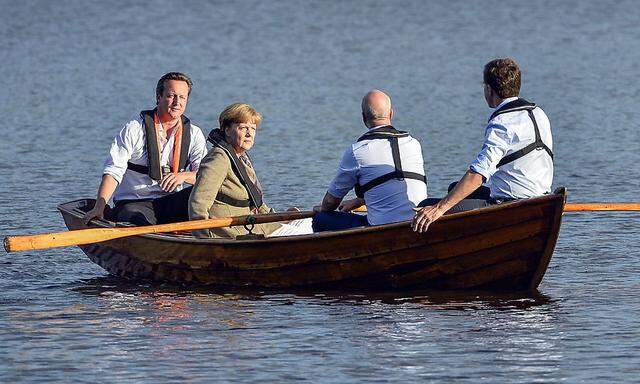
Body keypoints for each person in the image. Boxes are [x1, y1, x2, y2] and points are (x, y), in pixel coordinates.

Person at [412, 58, 553, 233]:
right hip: (542, 197)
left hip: (513, 203)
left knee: (426, 206)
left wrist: (439, 208)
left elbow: (478, 175)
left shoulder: (502, 122)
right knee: (453, 188)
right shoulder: (539, 113)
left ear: (488, 90)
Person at [83, 72, 207, 226]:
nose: (177, 102)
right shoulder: (134, 129)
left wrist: (182, 177)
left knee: (207, 195)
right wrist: (99, 207)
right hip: (134, 203)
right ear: (158, 96)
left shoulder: (195, 134)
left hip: (170, 202)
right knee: (138, 219)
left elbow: (204, 175)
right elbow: (113, 171)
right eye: (171, 96)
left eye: (182, 97)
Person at [188, 103, 313, 238]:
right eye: (243, 128)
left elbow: (256, 202)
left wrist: (278, 217)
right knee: (306, 234)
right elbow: (198, 203)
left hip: (255, 224)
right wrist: (204, 240)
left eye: (252, 129)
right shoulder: (219, 158)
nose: (249, 133)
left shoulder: (241, 158)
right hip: (236, 231)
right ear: (227, 130)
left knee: (307, 222)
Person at [313, 90, 428, 231]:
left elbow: (331, 201)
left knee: (321, 219)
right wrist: (359, 201)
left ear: (363, 118)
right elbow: (393, 184)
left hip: (383, 229)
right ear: (391, 113)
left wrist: (322, 209)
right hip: (418, 222)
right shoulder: (413, 143)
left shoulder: (357, 151)